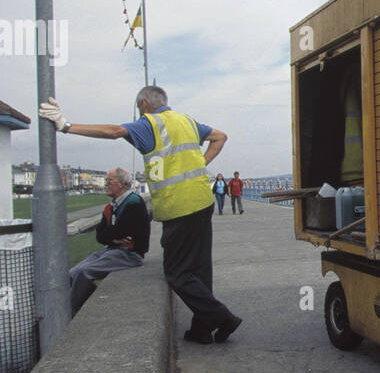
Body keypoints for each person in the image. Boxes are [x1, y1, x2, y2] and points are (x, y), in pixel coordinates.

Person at [38, 86, 242, 344]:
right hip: (202, 201)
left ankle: (224, 318)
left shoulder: (150, 124)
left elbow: (113, 132)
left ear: (144, 104)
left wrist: (65, 126)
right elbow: (220, 137)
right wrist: (201, 164)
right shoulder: (187, 121)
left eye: (138, 109)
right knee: (200, 269)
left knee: (177, 273)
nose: (138, 115)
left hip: (178, 207)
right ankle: (202, 330)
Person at [68, 167, 150, 316]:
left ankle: (73, 315)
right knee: (71, 273)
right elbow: (101, 235)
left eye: (109, 181)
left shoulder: (134, 203)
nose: (106, 184)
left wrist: (112, 235)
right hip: (112, 250)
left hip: (130, 255)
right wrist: (114, 237)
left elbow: (121, 231)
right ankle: (84, 306)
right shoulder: (110, 207)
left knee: (82, 272)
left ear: (120, 184)